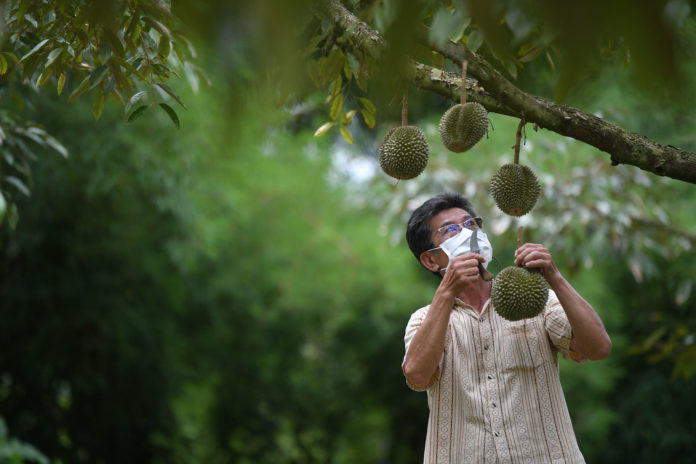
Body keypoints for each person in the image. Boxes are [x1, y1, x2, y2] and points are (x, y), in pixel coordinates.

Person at [402, 192, 611, 464]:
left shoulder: (535, 301)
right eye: (450, 230)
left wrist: (554, 276)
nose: (467, 233)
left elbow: (598, 348)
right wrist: (446, 292)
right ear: (431, 261)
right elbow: (417, 376)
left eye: (471, 224)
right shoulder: (423, 320)